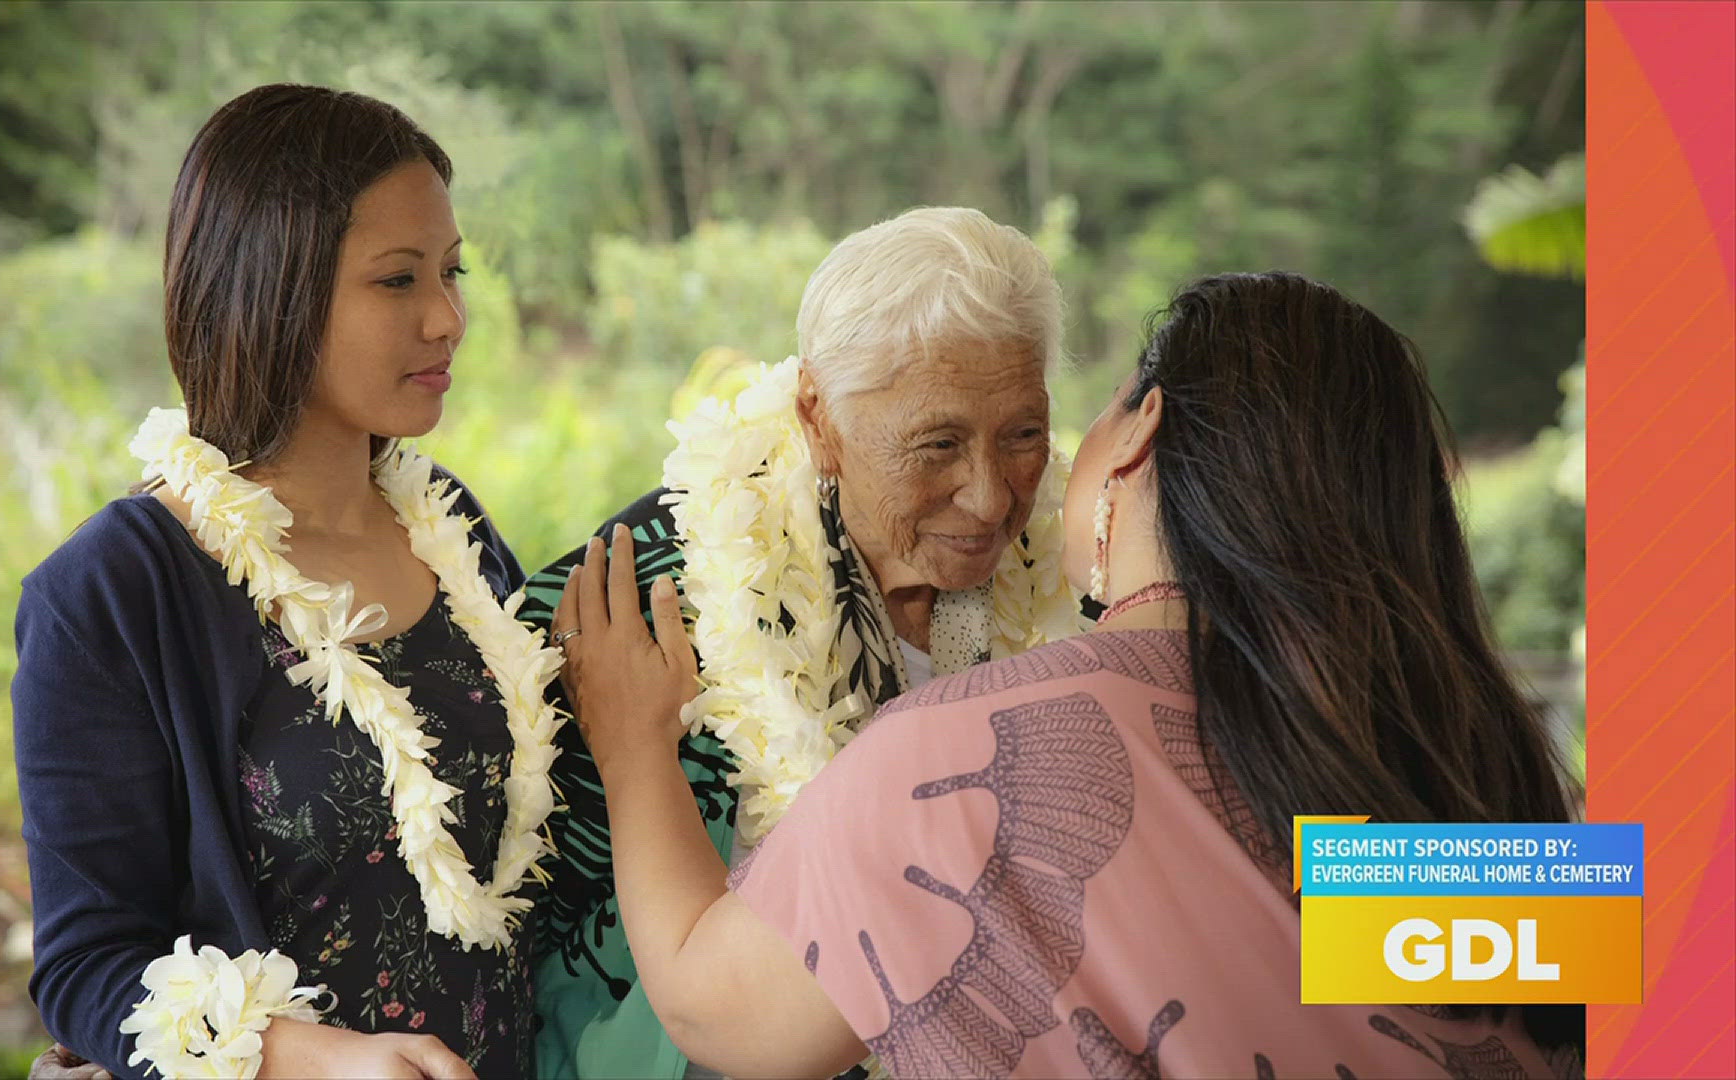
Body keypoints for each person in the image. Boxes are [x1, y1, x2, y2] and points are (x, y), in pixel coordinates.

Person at [554, 271, 1585, 1078]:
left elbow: (716, 1007)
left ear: (1139, 433)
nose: (1001, 490)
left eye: (1038, 430)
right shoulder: (1483, 772)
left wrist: (634, 740)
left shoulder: (966, 761)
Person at [13, 85, 566, 1080]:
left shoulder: (451, 527)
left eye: (452, 271)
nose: (449, 318)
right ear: (274, 287)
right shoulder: (114, 593)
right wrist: (313, 1060)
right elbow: (88, 966)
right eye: (398, 281)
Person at [518, 207, 1090, 1079]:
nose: (989, 498)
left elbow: (1362, 891)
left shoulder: (1088, 610)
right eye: (937, 444)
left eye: (1022, 435)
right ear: (817, 416)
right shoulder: (635, 605)